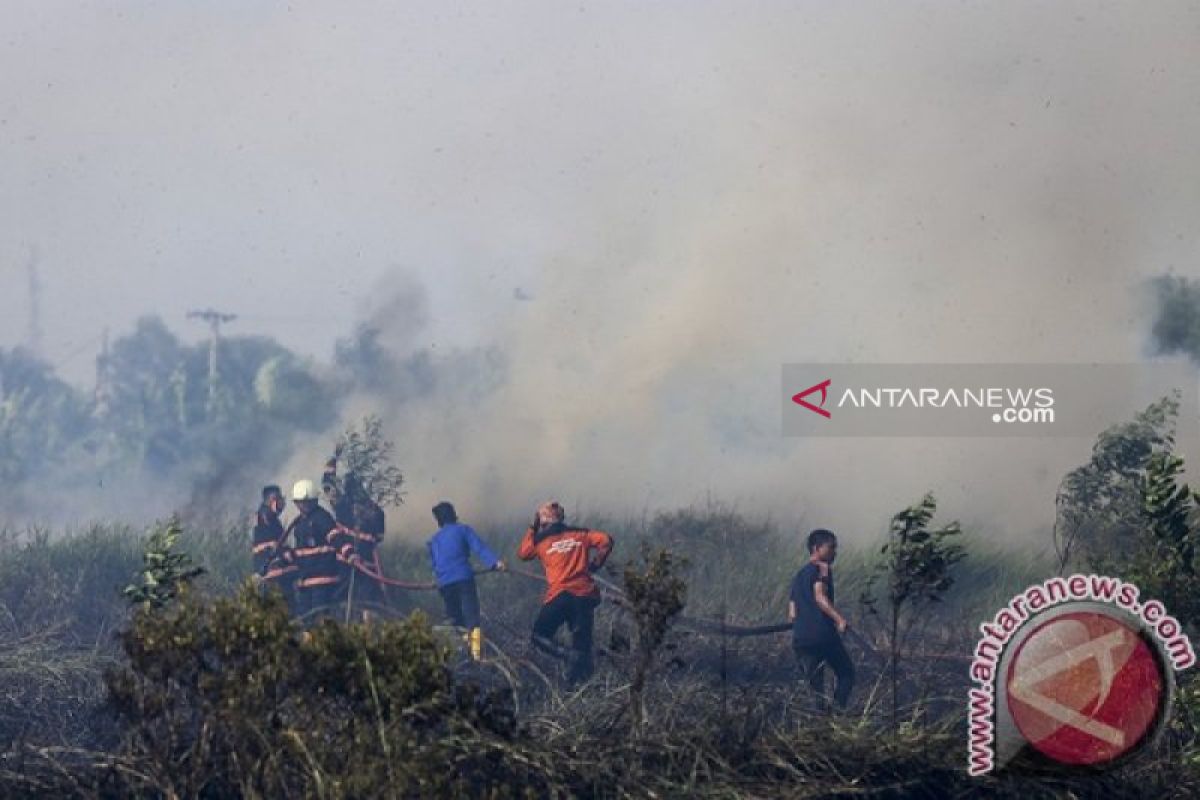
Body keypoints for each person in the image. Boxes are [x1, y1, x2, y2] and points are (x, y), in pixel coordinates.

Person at [517, 500, 613, 683]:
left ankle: (569, 658)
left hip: (560, 596)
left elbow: (523, 553)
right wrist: (595, 565)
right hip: (584, 595)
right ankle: (581, 687)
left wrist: (532, 527)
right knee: (582, 646)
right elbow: (607, 540)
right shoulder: (581, 534)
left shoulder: (540, 542)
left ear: (543, 523)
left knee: (539, 636)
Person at [428, 501, 504, 659]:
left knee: (455, 618)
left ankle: (464, 650)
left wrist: (439, 579)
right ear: (453, 515)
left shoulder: (433, 540)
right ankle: (476, 656)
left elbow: (434, 564)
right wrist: (495, 562)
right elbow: (480, 548)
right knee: (471, 616)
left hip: (445, 583)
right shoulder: (463, 530)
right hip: (463, 578)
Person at [789, 528, 855, 711]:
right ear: (816, 548)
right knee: (847, 673)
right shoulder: (822, 569)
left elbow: (793, 613)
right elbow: (820, 597)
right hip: (822, 636)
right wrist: (840, 619)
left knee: (816, 688)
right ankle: (837, 714)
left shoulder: (799, 575)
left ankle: (820, 722)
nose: (835, 552)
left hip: (801, 639)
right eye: (831, 548)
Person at [283, 479, 350, 619]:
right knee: (305, 619)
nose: (303, 505)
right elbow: (302, 551)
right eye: (300, 502)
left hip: (323, 580)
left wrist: (348, 552)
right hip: (305, 580)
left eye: (306, 502)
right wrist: (288, 555)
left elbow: (335, 537)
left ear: (314, 500)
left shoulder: (322, 517)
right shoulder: (300, 523)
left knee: (320, 618)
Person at [252, 485, 297, 612]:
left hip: (275, 573)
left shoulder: (273, 520)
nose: (281, 502)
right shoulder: (264, 516)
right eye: (277, 498)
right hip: (272, 573)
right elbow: (273, 547)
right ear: (269, 500)